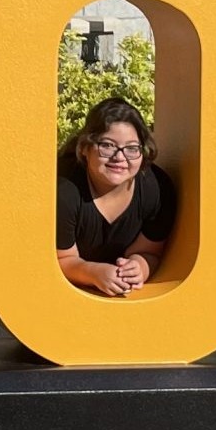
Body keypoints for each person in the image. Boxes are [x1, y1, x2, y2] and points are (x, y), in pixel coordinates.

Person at [55, 97, 180, 298]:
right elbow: (61, 260)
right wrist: (94, 273)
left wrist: (139, 267)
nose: (120, 157)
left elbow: (150, 253)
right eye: (108, 145)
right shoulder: (64, 191)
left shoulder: (157, 189)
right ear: (85, 148)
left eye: (132, 148)